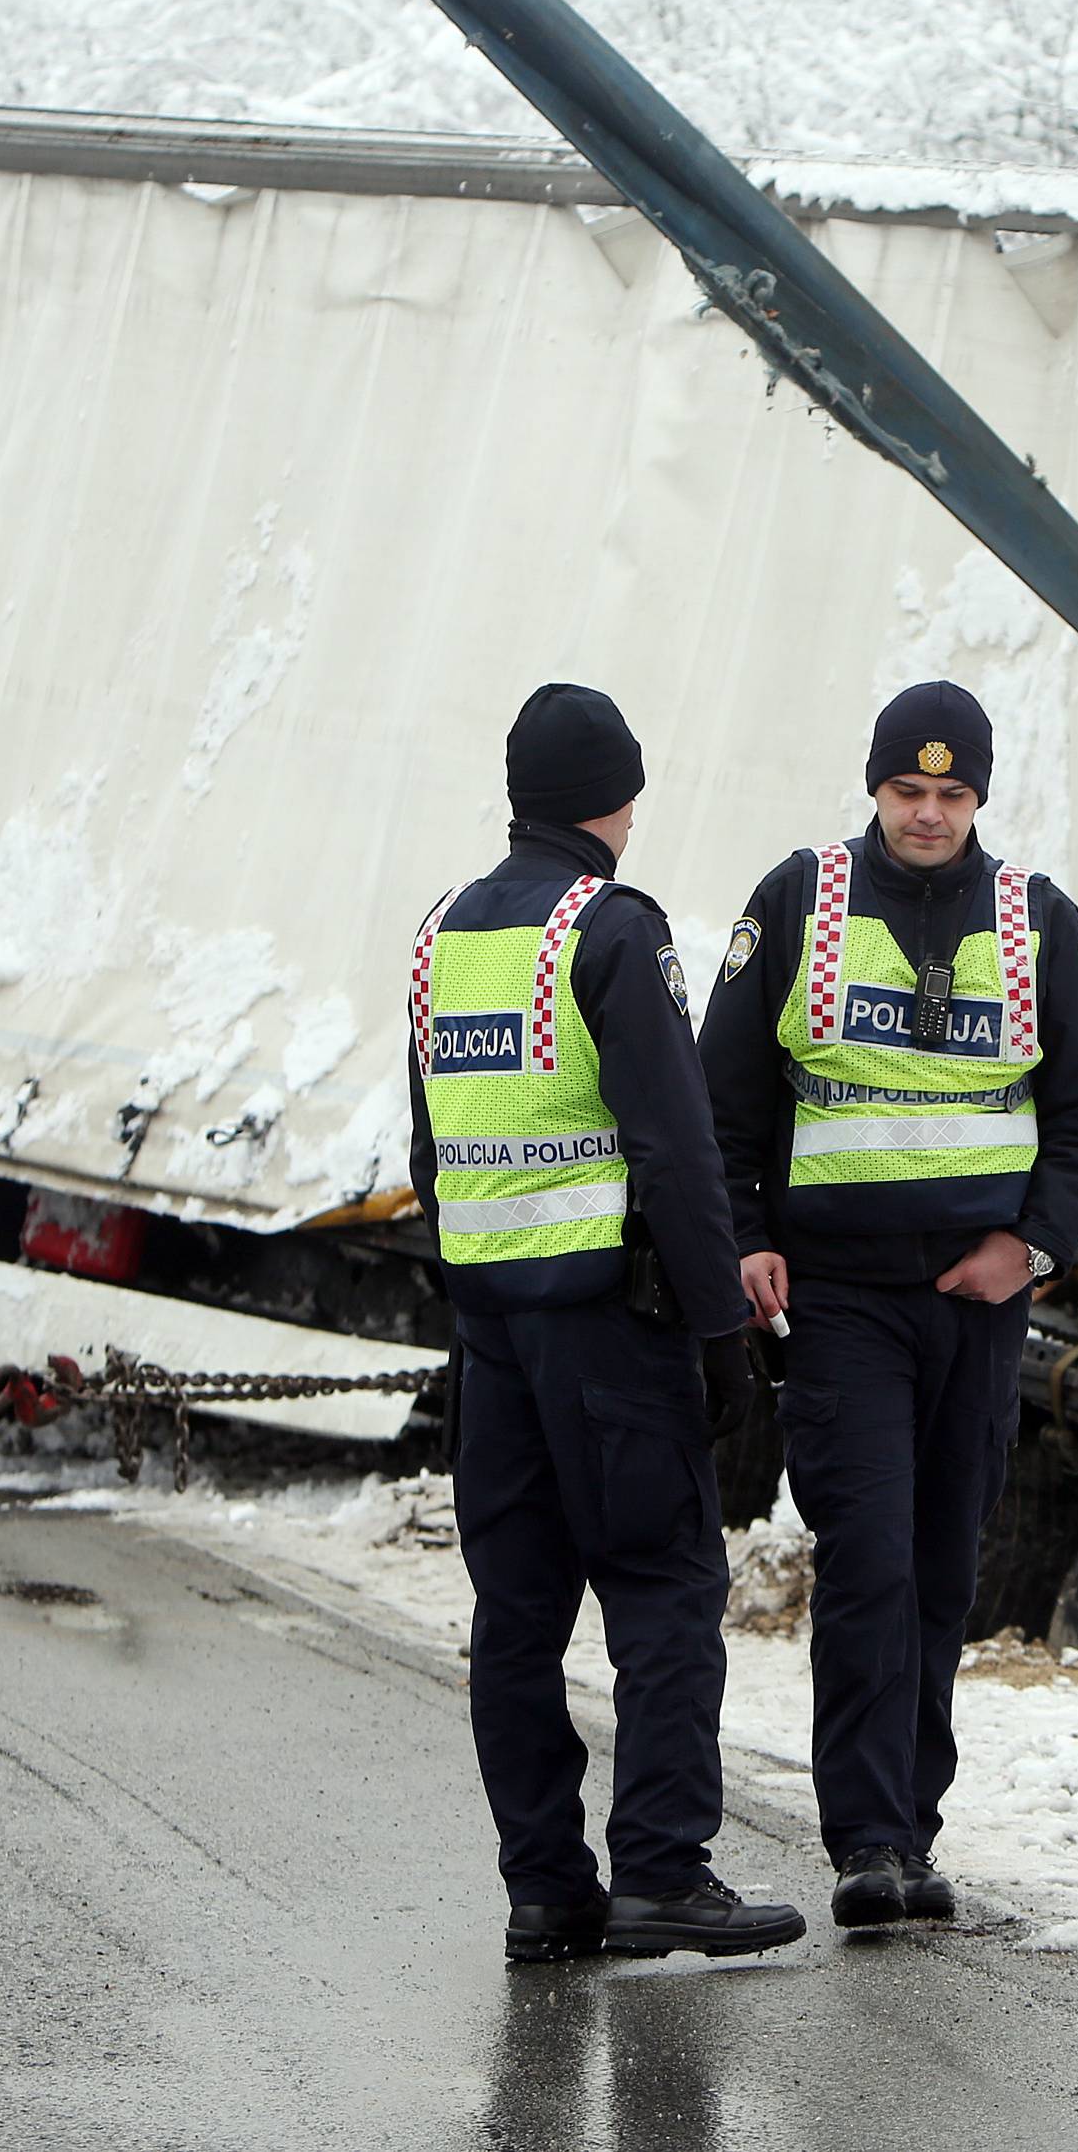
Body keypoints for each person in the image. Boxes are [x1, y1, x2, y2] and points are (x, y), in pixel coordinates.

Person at [698, 679, 1078, 1929]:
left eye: (952, 793)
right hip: (842, 1301)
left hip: (977, 1307)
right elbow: (722, 1097)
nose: (929, 814)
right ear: (875, 786)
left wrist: (1035, 1247)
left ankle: (916, 1826)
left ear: (980, 796)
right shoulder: (801, 901)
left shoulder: (1037, 919)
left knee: (944, 1565)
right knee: (872, 1561)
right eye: (908, 790)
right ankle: (868, 1841)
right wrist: (744, 1239)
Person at [407, 682, 805, 1967]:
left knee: (514, 1615)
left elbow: (432, 1153)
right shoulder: (614, 930)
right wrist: (715, 1335)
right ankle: (664, 1875)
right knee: (665, 1585)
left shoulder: (442, 938)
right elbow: (676, 1153)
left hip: (492, 1337)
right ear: (621, 796)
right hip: (608, 1331)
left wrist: (477, 1295)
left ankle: (545, 1890)